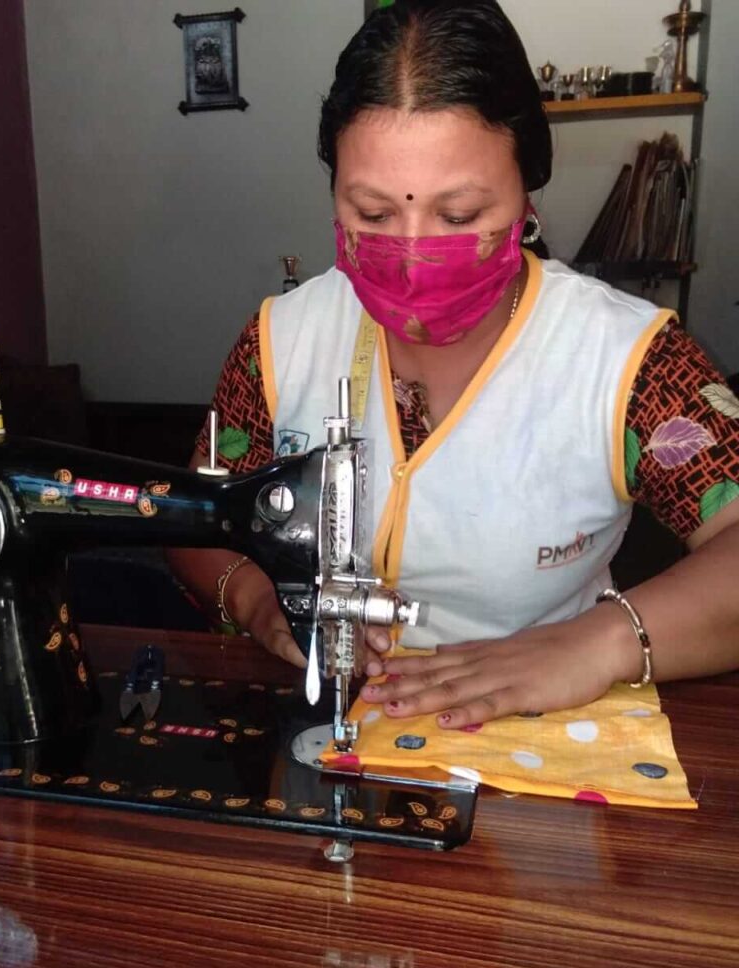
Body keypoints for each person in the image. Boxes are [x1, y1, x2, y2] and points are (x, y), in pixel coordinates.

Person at [169, 0, 739, 731]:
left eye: (460, 215)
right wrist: (253, 600)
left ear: (528, 190)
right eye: (373, 214)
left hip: (537, 760)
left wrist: (600, 643)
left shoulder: (628, 359)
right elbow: (189, 518)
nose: (411, 254)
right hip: (323, 733)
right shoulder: (282, 342)